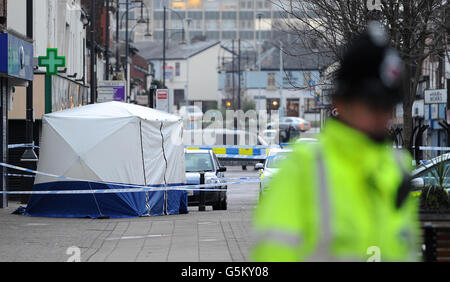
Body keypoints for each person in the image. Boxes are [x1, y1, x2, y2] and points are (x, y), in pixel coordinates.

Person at [251, 22, 421, 262]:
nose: (383, 116)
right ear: (341, 102)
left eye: (388, 105)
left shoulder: (397, 169)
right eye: (373, 103)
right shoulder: (303, 170)